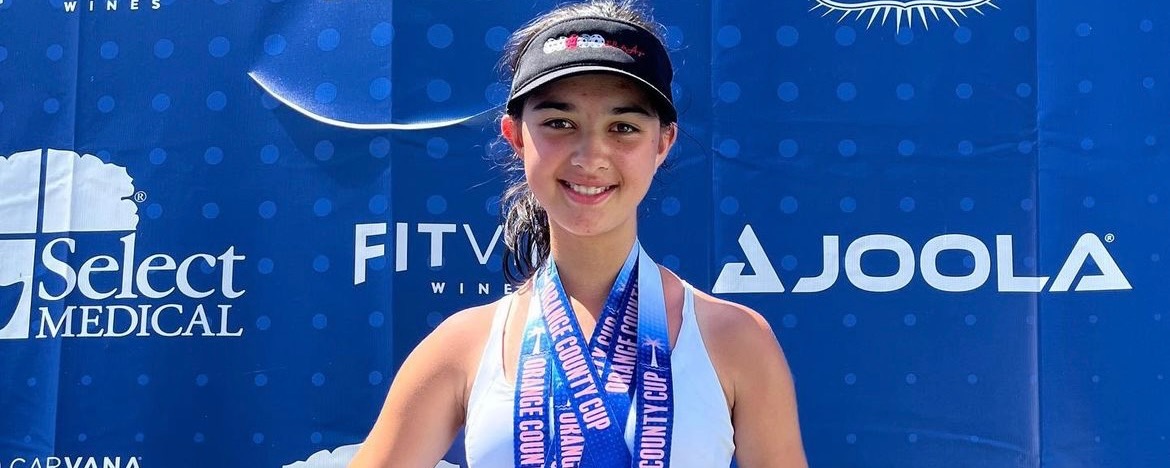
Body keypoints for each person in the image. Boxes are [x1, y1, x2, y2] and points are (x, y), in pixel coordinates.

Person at [350, 1, 806, 466]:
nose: (591, 157)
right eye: (559, 123)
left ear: (663, 143)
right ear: (515, 135)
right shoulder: (462, 346)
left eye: (624, 127)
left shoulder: (736, 339)